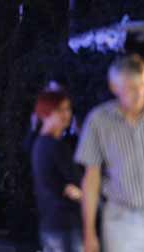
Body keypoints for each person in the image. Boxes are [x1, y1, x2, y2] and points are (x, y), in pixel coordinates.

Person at [75, 55, 144, 252]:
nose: (137, 94)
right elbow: (91, 178)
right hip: (120, 219)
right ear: (114, 88)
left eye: (141, 86)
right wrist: (89, 233)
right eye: (129, 88)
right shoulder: (99, 120)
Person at [31, 90, 82, 252]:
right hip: (66, 221)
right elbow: (76, 180)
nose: (66, 114)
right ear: (46, 113)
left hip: (50, 220)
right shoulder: (56, 146)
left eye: (68, 109)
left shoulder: (40, 144)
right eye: (60, 110)